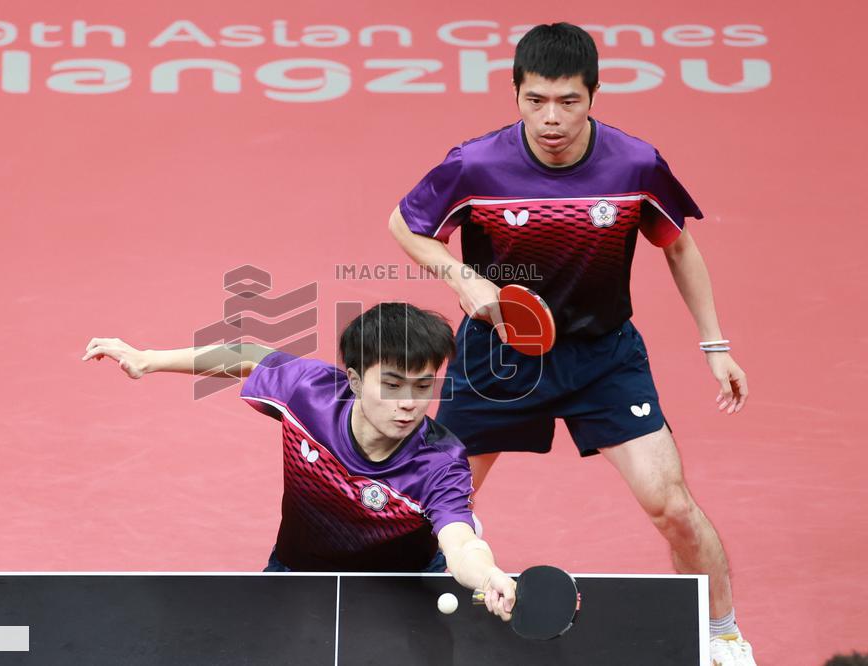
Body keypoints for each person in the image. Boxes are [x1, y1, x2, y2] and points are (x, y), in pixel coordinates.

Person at [389, 22, 755, 665]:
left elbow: (679, 247)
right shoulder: (476, 164)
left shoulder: (635, 163)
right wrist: (461, 276)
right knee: (431, 507)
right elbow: (405, 223)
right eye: (535, 101)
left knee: (671, 506)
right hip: (499, 357)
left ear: (593, 95)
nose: (551, 119)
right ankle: (394, 632)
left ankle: (723, 634)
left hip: (603, 358)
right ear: (515, 94)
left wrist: (714, 344)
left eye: (568, 101)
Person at [82, 302, 516, 620]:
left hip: (405, 585)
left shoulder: (441, 462)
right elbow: (247, 355)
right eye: (392, 384)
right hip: (297, 568)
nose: (409, 403)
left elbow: (461, 542)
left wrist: (487, 575)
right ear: (354, 380)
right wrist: (148, 360)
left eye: (422, 387)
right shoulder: (310, 394)